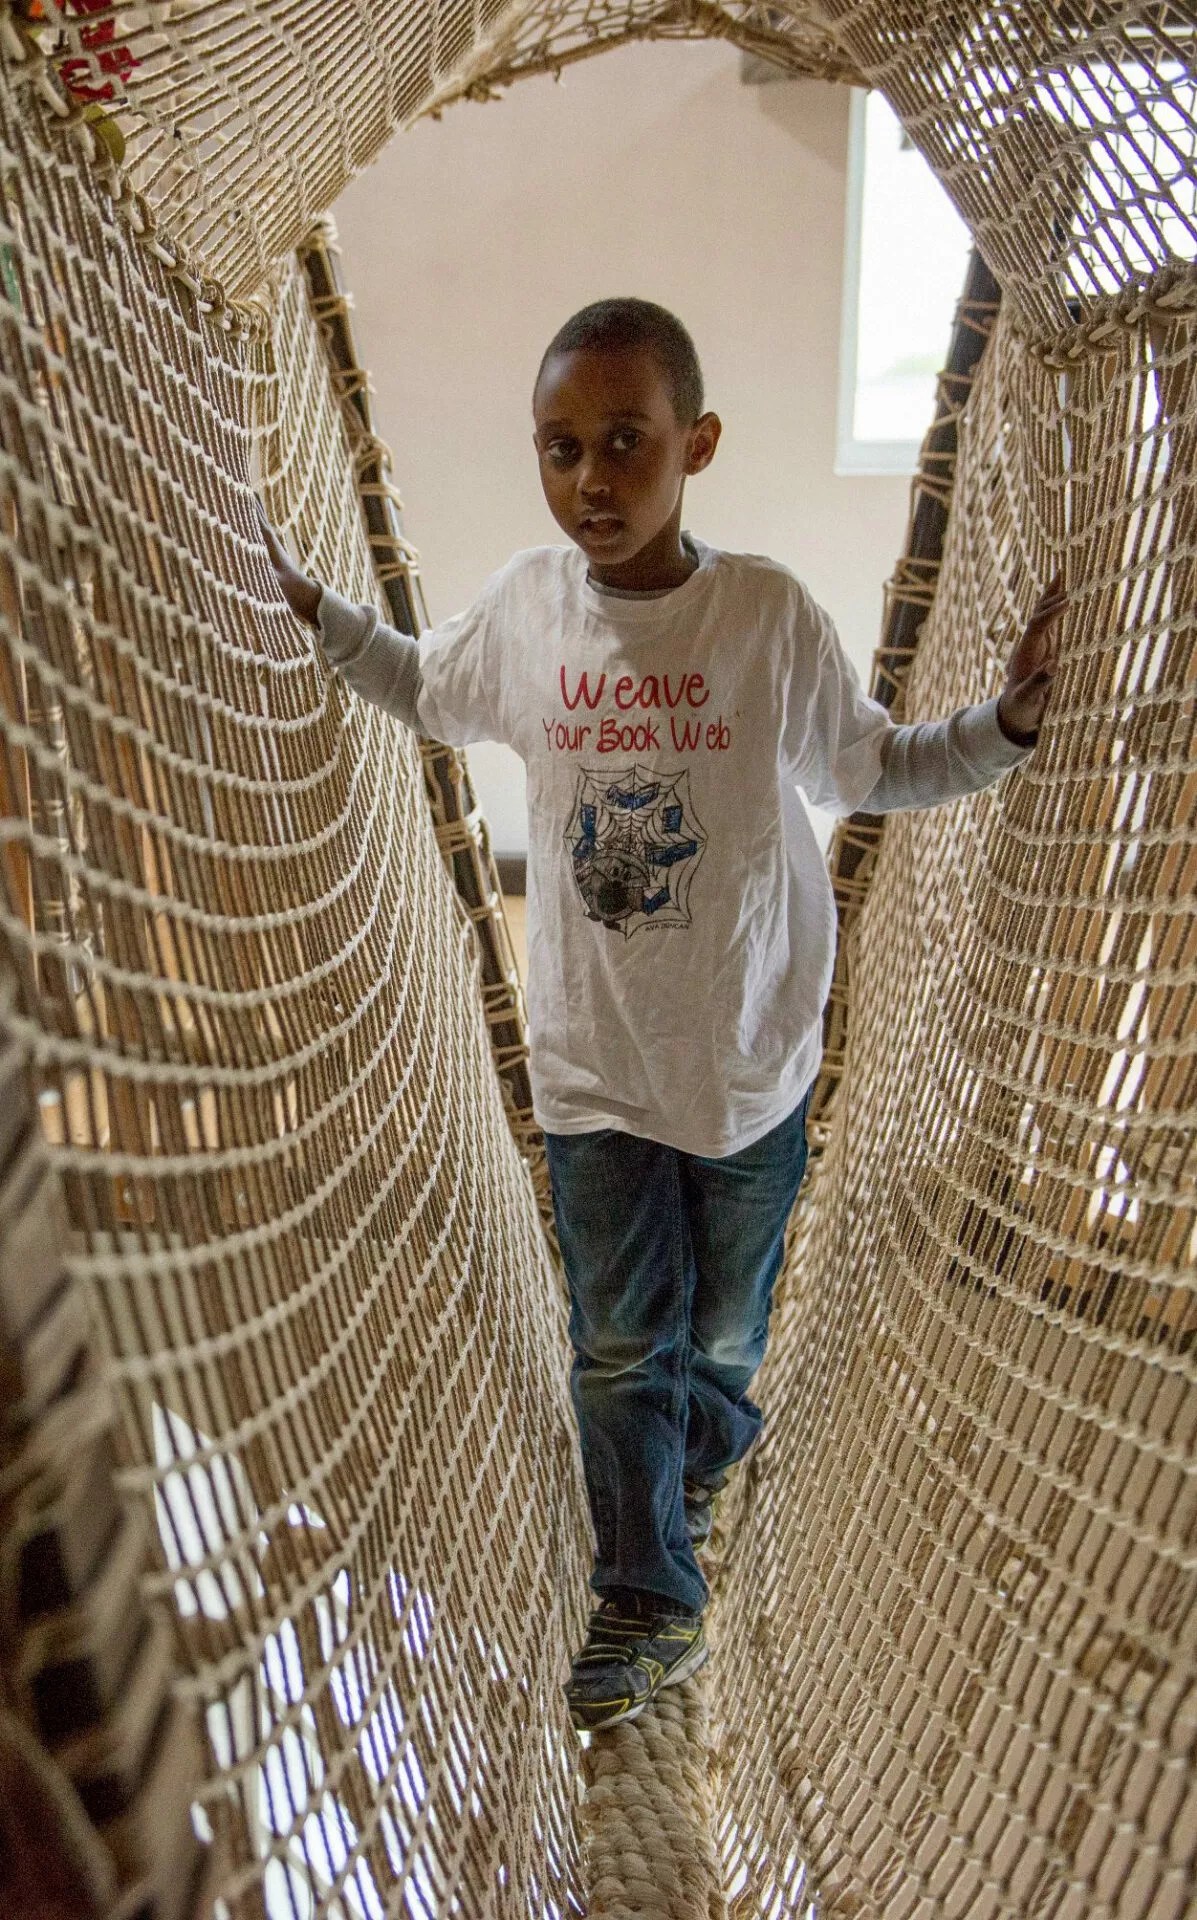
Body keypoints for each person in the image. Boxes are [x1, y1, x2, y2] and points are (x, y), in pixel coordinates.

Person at [260, 298, 1067, 1733]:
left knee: (723, 1342)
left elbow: (873, 766)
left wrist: (1002, 727)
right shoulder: (527, 609)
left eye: (624, 444)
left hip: (751, 1063)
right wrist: (315, 616)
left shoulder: (757, 617)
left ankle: (690, 1455)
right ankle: (647, 1599)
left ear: (694, 445)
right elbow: (423, 687)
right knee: (624, 1344)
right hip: (592, 1069)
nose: (590, 480)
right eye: (560, 448)